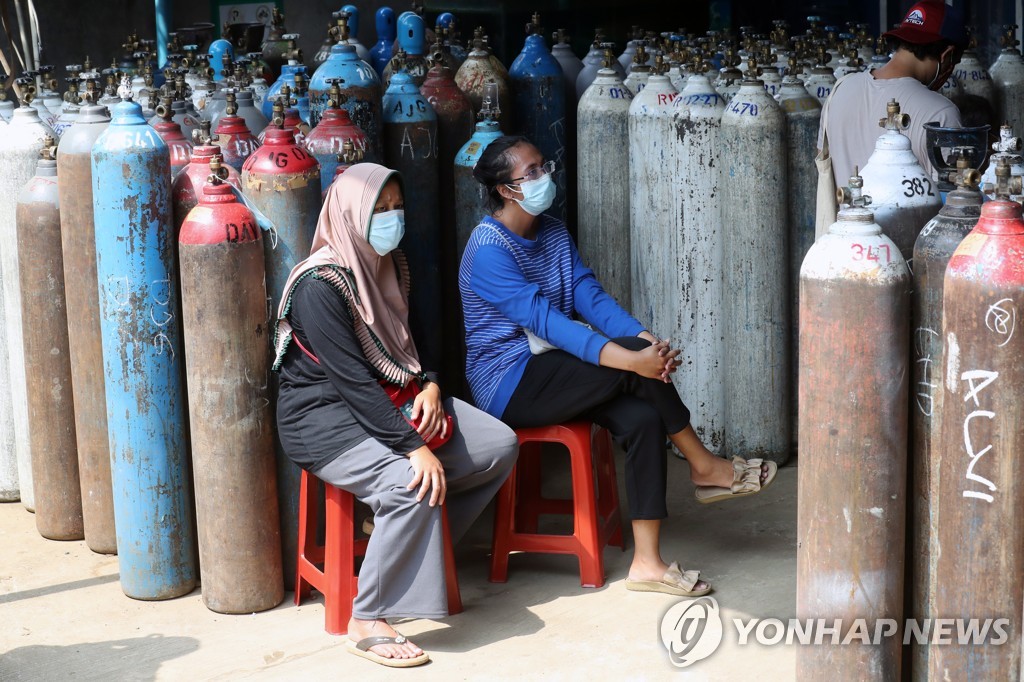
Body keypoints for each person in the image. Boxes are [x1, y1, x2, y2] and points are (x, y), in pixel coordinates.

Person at [458, 135, 778, 598]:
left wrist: (645, 341)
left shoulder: (551, 232)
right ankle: (704, 465)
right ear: (506, 190)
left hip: (560, 369)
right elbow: (549, 323)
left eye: (543, 165)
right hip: (511, 382)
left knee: (644, 417)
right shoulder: (489, 251)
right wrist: (632, 359)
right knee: (634, 366)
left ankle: (647, 562)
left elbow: (589, 295)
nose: (543, 176)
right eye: (531, 173)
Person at [273, 163, 519, 668]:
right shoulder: (320, 285)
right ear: (348, 216)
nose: (391, 220)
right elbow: (352, 382)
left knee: (497, 446)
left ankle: (405, 549)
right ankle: (366, 616)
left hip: (399, 398)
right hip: (324, 420)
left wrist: (430, 384)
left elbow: (422, 340)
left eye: (396, 208)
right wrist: (415, 448)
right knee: (411, 483)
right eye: (378, 211)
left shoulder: (393, 264)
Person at [819, 0, 966, 187]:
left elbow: (823, 165)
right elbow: (954, 199)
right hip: (917, 218)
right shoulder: (941, 113)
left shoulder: (839, 90)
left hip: (844, 215)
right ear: (947, 55)